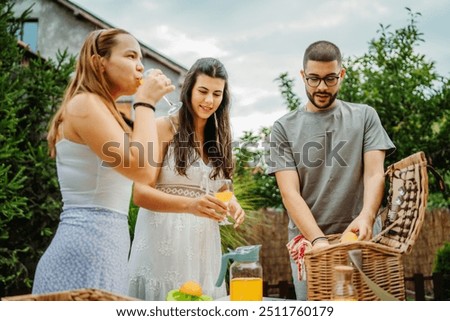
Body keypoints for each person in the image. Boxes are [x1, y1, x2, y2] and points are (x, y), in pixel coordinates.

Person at [32, 28, 175, 296]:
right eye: (131, 55)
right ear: (100, 62)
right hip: (86, 249)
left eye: (141, 58)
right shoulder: (85, 104)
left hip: (106, 245)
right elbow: (142, 170)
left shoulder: (104, 110)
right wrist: (144, 104)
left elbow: (147, 168)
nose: (140, 65)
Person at [268, 40, 395, 300]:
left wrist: (367, 217)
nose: (322, 87)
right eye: (313, 79)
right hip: (309, 243)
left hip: (363, 237)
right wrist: (318, 241)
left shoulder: (365, 117)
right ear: (302, 76)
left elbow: (374, 174)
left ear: (342, 74)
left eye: (330, 78)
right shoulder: (283, 128)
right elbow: (289, 194)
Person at [127, 57, 245, 300]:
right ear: (188, 89)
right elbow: (140, 193)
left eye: (217, 93)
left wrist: (230, 201)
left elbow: (219, 186)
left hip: (203, 246)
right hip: (163, 243)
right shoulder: (162, 128)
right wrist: (191, 205)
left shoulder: (219, 138)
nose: (209, 100)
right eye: (202, 91)